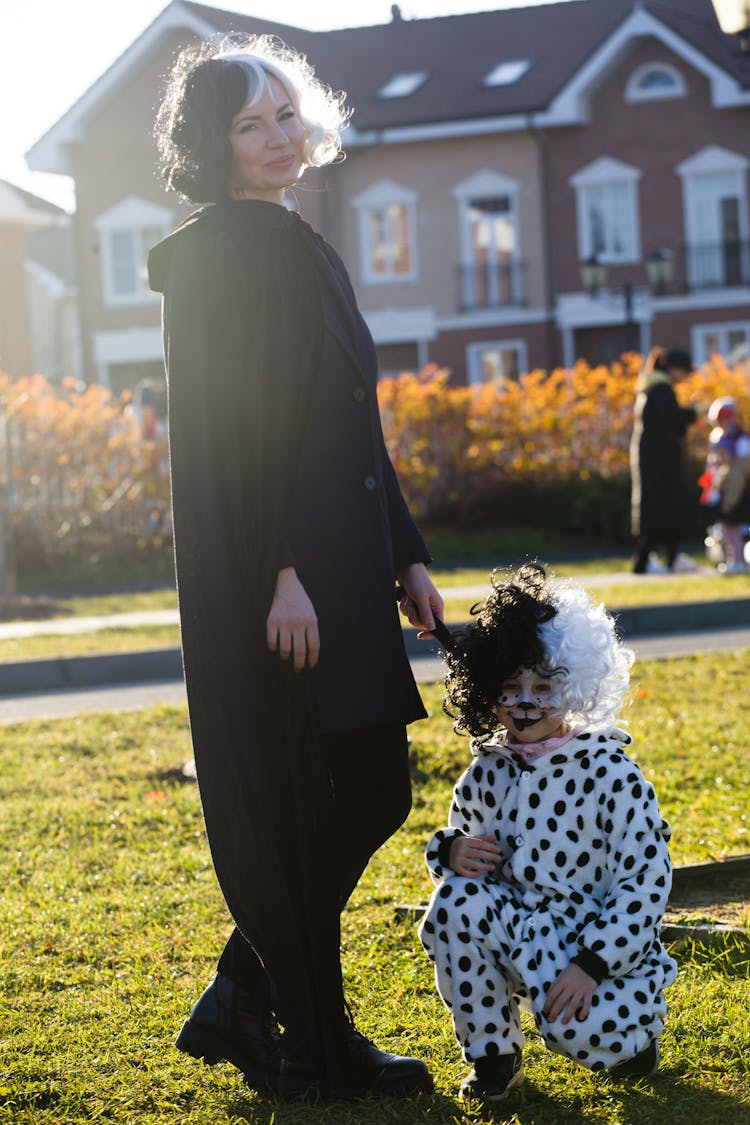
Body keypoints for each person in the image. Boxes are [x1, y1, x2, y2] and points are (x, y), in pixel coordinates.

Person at [147, 35, 443, 1100]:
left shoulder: (298, 241)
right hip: (286, 580)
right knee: (339, 793)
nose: (278, 137)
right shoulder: (224, 254)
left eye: (285, 114)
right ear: (211, 146)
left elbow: (350, 421)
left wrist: (405, 554)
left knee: (366, 790)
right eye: (248, 124)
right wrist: (279, 570)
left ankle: (249, 996)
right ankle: (306, 1029)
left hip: (345, 565)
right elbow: (230, 432)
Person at [418, 563, 677, 1103]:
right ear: (486, 692)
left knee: (574, 1031)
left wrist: (591, 965)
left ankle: (632, 1038)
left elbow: (646, 880)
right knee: (455, 904)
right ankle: (495, 1056)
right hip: (518, 928)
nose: (526, 703)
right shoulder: (488, 769)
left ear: (577, 686)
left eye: (543, 687)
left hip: (588, 942)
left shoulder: (609, 771)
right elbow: (463, 848)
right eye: (510, 689)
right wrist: (453, 850)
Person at [629, 346, 699, 574]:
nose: (686, 376)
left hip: (654, 456)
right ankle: (648, 560)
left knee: (663, 504)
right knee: (661, 503)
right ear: (673, 369)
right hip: (659, 458)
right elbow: (672, 417)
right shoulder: (660, 389)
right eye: (685, 371)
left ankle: (669, 557)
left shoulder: (651, 387)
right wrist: (692, 413)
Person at [699, 396, 750, 574]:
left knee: (734, 529)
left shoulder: (740, 440)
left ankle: (738, 561)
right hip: (721, 490)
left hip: (735, 492)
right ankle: (733, 560)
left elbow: (741, 470)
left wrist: (729, 498)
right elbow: (713, 468)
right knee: (725, 530)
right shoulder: (718, 438)